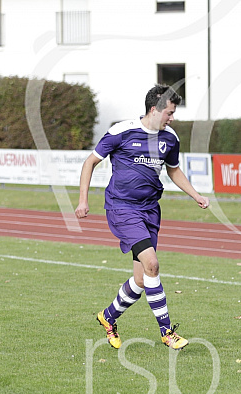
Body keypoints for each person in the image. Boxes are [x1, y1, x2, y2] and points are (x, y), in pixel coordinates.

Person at [76, 84, 210, 350]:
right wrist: (83, 200)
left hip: (150, 210)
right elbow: (90, 162)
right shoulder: (121, 131)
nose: (172, 118)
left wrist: (195, 195)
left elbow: (173, 170)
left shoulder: (169, 138)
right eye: (169, 113)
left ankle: (108, 317)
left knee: (141, 279)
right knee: (153, 264)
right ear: (155, 109)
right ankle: (167, 332)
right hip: (122, 208)